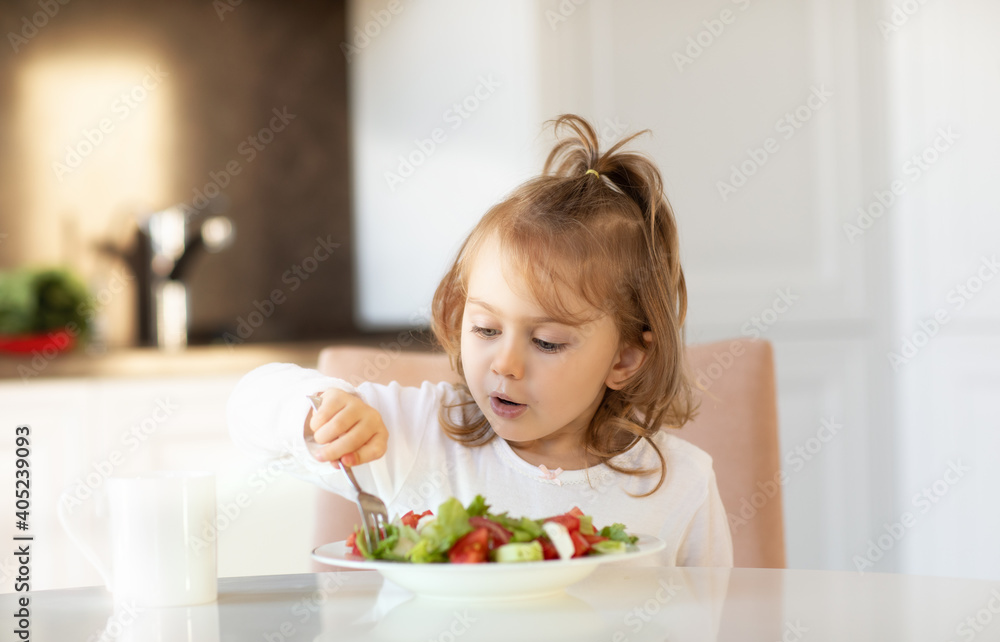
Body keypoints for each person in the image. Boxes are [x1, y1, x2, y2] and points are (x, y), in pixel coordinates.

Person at [227, 114, 733, 567]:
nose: (505, 363)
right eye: (486, 330)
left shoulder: (679, 486)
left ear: (624, 358)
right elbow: (246, 407)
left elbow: (708, 631)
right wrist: (316, 415)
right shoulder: (411, 437)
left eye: (548, 342)